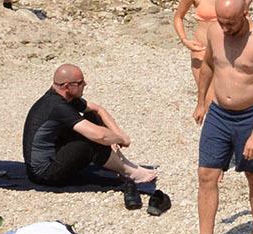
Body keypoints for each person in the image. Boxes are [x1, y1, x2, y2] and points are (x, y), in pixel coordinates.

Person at [185, 0, 253, 234]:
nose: (225, 28)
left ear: (245, 14)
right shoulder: (215, 30)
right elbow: (210, 66)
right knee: (206, 175)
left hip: (249, 116)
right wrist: (201, 101)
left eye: (231, 23)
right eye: (222, 22)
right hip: (219, 114)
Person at [22, 64, 160, 193]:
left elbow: (98, 109)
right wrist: (119, 138)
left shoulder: (64, 97)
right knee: (91, 141)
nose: (85, 85)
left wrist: (120, 135)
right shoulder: (57, 106)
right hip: (44, 174)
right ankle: (130, 172)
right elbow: (101, 136)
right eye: (80, 82)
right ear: (67, 86)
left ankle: (124, 164)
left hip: (55, 152)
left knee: (91, 116)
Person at [172, 0, 238, 124]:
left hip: (229, 49)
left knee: (229, 96)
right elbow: (178, 16)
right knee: (212, 98)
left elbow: (243, 15)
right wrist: (185, 40)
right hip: (202, 49)